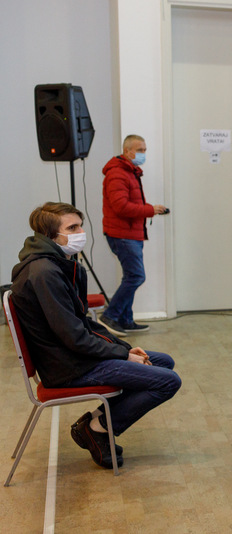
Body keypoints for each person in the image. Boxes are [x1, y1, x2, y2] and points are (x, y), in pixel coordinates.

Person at [10, 202, 181, 470]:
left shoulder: (54, 264)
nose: (81, 233)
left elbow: (83, 323)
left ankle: (93, 424)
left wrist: (124, 348)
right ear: (51, 235)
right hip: (69, 367)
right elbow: (75, 337)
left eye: (80, 226)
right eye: (72, 228)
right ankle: (97, 427)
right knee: (168, 381)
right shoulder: (45, 273)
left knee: (163, 362)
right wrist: (123, 354)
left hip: (73, 356)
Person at [99, 134, 168, 337]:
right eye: (140, 150)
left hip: (130, 233)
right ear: (127, 151)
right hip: (122, 234)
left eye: (145, 150)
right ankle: (109, 316)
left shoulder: (130, 172)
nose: (143, 154)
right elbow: (121, 207)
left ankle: (125, 320)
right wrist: (150, 210)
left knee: (131, 276)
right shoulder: (117, 173)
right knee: (136, 276)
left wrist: (150, 209)